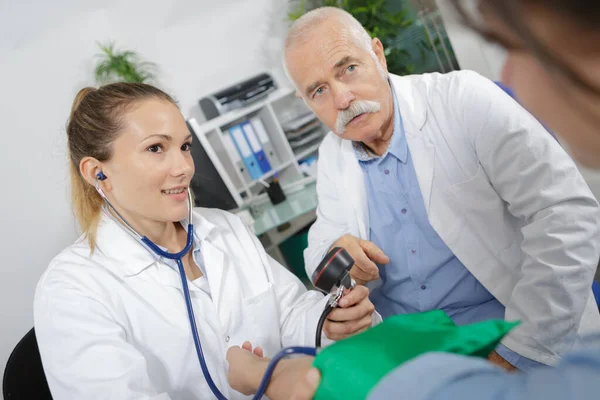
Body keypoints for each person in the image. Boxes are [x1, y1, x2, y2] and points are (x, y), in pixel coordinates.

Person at [225, 1, 600, 399]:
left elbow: (562, 212)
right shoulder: (334, 156)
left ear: (378, 54)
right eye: (319, 90)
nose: (341, 99)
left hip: (513, 332)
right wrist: (339, 257)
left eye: (348, 68)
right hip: (407, 353)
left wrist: (515, 354)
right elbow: (321, 249)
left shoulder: (462, 99)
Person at [33, 83, 378, 400]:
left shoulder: (226, 229)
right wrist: (264, 377)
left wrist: (328, 322)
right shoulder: (72, 289)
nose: (184, 167)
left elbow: (289, 313)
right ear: (98, 173)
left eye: (184, 147)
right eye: (156, 148)